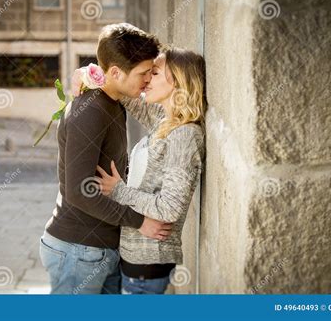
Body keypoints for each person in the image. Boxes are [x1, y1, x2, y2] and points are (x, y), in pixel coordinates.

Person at [39, 23, 172, 294]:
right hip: (78, 251)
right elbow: (78, 191)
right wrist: (140, 221)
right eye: (143, 73)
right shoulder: (89, 112)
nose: (148, 79)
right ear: (115, 72)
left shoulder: (114, 100)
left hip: (101, 250)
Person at [95, 47, 206, 294]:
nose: (146, 80)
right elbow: (128, 95)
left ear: (177, 81)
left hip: (148, 262)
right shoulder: (165, 122)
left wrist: (119, 192)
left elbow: (170, 207)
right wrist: (91, 74)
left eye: (154, 73)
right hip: (133, 257)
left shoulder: (185, 135)